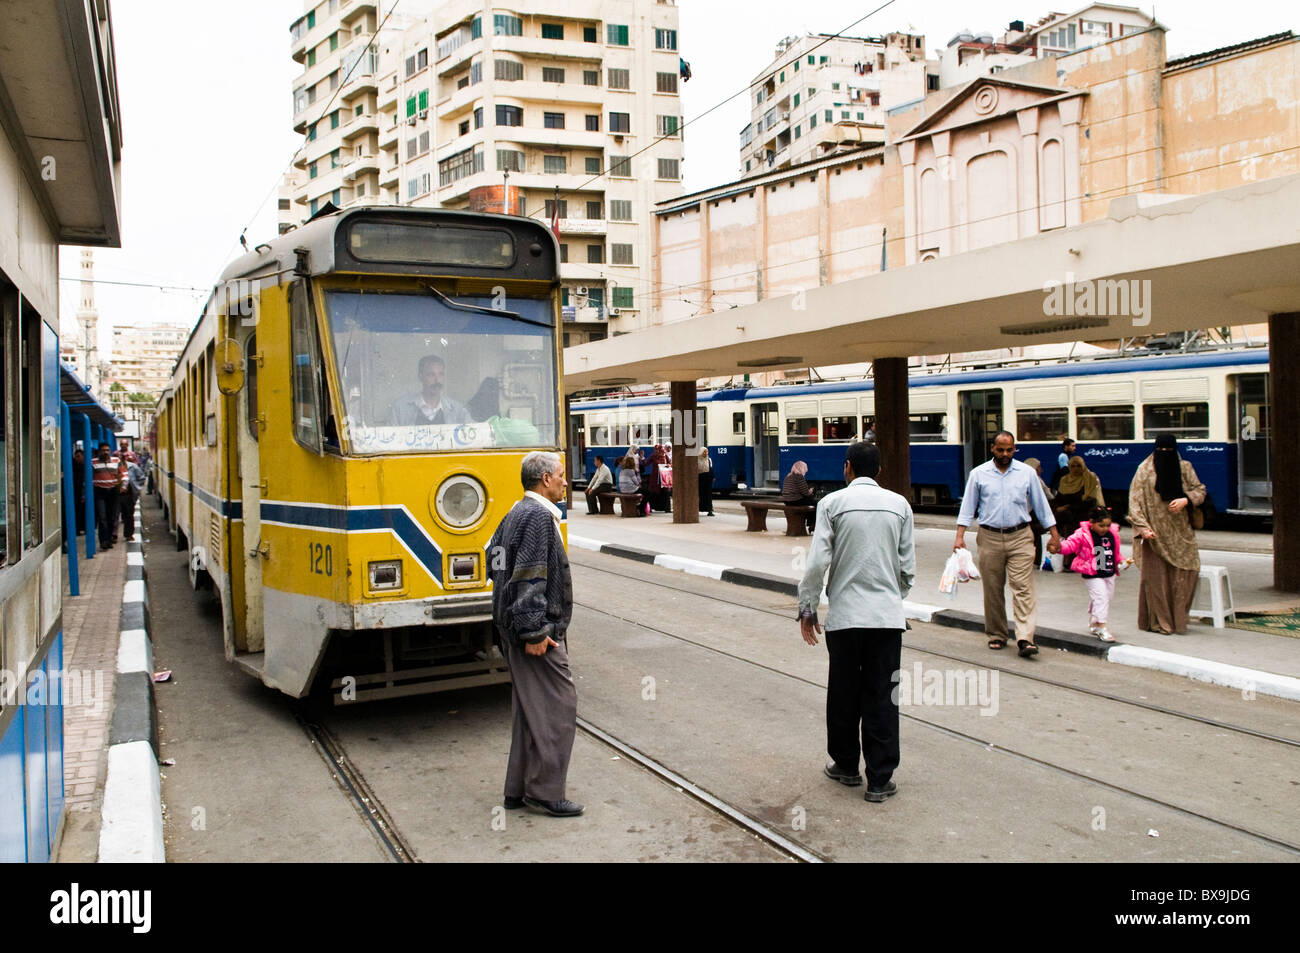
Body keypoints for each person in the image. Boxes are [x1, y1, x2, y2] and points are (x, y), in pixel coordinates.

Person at [797, 442, 915, 803]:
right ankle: (879, 780)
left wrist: (808, 606)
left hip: (846, 619)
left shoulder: (831, 504)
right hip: (886, 620)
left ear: (847, 467)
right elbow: (907, 570)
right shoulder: (900, 506)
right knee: (882, 696)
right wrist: (892, 597)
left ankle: (846, 765)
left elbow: (817, 562)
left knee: (844, 693)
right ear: (878, 471)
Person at [487, 451, 581, 818]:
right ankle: (544, 792)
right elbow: (529, 575)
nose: (564, 480)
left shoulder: (516, 512)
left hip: (513, 628)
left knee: (530, 710)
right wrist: (533, 630)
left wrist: (505, 604)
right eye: (560, 474)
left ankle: (517, 789)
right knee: (559, 706)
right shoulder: (539, 517)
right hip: (534, 633)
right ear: (544, 479)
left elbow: (492, 558)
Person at [954, 431, 1060, 657]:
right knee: (992, 589)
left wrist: (1054, 533)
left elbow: (1042, 506)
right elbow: (968, 507)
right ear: (992, 448)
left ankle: (1025, 638)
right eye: (1000, 450)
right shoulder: (978, 474)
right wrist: (959, 535)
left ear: (1014, 449)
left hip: (1021, 536)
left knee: (1022, 588)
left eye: (1009, 450)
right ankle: (997, 634)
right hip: (989, 537)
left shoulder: (1026, 473)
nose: (1005, 454)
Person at [1127, 434, 1206, 635]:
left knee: (1188, 570)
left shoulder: (1185, 467)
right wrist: (1143, 528)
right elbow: (1134, 502)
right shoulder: (1144, 471)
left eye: (1168, 450)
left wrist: (1186, 500)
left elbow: (1200, 490)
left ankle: (1179, 619)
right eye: (1160, 450)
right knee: (1156, 580)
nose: (1164, 454)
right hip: (1154, 535)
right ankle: (1159, 621)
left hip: (1181, 532)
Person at [1057, 505, 1127, 642]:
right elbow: (1070, 544)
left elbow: (1115, 552)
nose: (1105, 529)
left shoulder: (1112, 533)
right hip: (1092, 572)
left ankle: (1094, 622)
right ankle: (1102, 627)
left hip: (1109, 572)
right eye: (1101, 525)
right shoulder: (1083, 534)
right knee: (1101, 597)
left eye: (1107, 525)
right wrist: (1059, 548)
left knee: (1107, 597)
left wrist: (1122, 561)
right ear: (1091, 523)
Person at [387, 355, 471, 426]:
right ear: (420, 377)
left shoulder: (458, 410)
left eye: (441, 374)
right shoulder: (400, 408)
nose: (437, 380)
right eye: (431, 375)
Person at [1053, 455, 1104, 540]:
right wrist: (1057, 508)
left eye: (1079, 466)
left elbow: (1092, 500)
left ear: (1083, 466)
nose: (1076, 469)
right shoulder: (1064, 480)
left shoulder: (1090, 478)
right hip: (1067, 522)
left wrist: (1069, 507)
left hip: (1084, 520)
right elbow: (1059, 499)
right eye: (1073, 466)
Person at [91, 443, 126, 550]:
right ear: (99, 452)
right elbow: (88, 477)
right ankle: (104, 541)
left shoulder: (116, 461)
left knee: (112, 517)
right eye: (103, 450)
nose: (105, 452)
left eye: (107, 450)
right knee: (102, 517)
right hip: (99, 491)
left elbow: (123, 474)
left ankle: (110, 538)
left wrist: (123, 486)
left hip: (113, 491)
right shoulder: (93, 462)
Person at [1023, 457, 1055, 568]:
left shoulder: (1022, 479)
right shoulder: (1036, 481)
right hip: (1033, 516)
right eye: (1039, 467)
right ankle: (1038, 559)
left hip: (1028, 516)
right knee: (1042, 532)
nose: (1041, 470)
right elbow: (1048, 497)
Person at [120, 451, 147, 541]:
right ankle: (113, 535)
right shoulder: (114, 468)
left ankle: (128, 534)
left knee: (128, 514)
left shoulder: (132, 467)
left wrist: (136, 487)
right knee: (114, 516)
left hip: (129, 494)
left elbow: (142, 478)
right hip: (116, 494)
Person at [697, 446, 715, 516]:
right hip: (700, 478)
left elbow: (711, 468)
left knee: (709, 494)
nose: (706, 453)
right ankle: (700, 508)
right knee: (700, 494)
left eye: (707, 451)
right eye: (704, 451)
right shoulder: (697, 459)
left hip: (708, 478)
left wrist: (713, 476)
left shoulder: (709, 459)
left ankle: (710, 510)